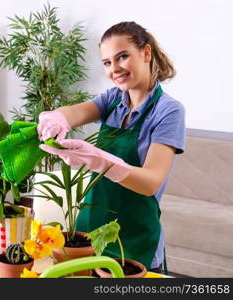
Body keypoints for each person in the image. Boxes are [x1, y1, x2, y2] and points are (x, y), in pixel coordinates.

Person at [38, 21, 185, 273]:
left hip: (135, 238)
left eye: (122, 57)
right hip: (90, 232)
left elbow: (150, 182)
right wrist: (58, 118)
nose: (114, 69)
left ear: (146, 53)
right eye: (107, 62)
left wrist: (98, 160)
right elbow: (75, 112)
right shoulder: (113, 99)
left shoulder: (168, 111)